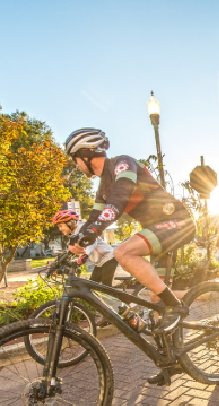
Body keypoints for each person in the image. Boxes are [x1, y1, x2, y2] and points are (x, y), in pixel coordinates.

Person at [64, 128, 195, 385]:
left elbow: (120, 198)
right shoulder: (102, 187)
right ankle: (170, 362)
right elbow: (95, 216)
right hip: (156, 231)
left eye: (75, 160)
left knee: (123, 251)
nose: (76, 166)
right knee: (154, 298)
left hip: (177, 222)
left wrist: (92, 232)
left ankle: (176, 306)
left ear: (85, 156)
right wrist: (74, 240)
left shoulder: (124, 164)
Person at [52, 209, 118, 287]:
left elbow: (92, 241)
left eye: (60, 226)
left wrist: (85, 255)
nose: (60, 229)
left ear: (69, 223)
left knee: (106, 286)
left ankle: (121, 299)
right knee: (92, 286)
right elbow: (70, 250)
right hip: (100, 262)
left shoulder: (83, 228)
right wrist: (58, 264)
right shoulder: (74, 234)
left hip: (108, 257)